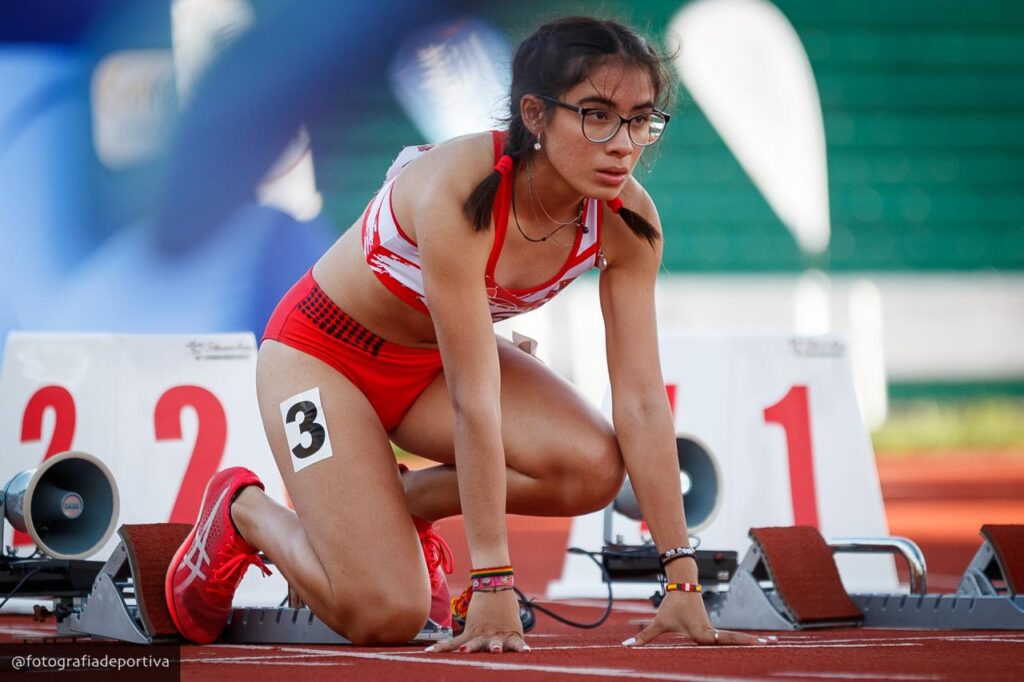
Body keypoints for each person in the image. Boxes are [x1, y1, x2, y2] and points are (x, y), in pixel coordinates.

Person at [165, 16, 764, 652]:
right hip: (322, 359)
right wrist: (493, 582)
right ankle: (245, 512)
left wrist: (683, 584)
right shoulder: (460, 189)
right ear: (535, 114)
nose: (623, 143)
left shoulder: (628, 221)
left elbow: (643, 401)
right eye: (596, 115)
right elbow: (471, 402)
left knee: (594, 470)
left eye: (641, 118)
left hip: (432, 364)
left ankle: (405, 500)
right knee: (385, 616)